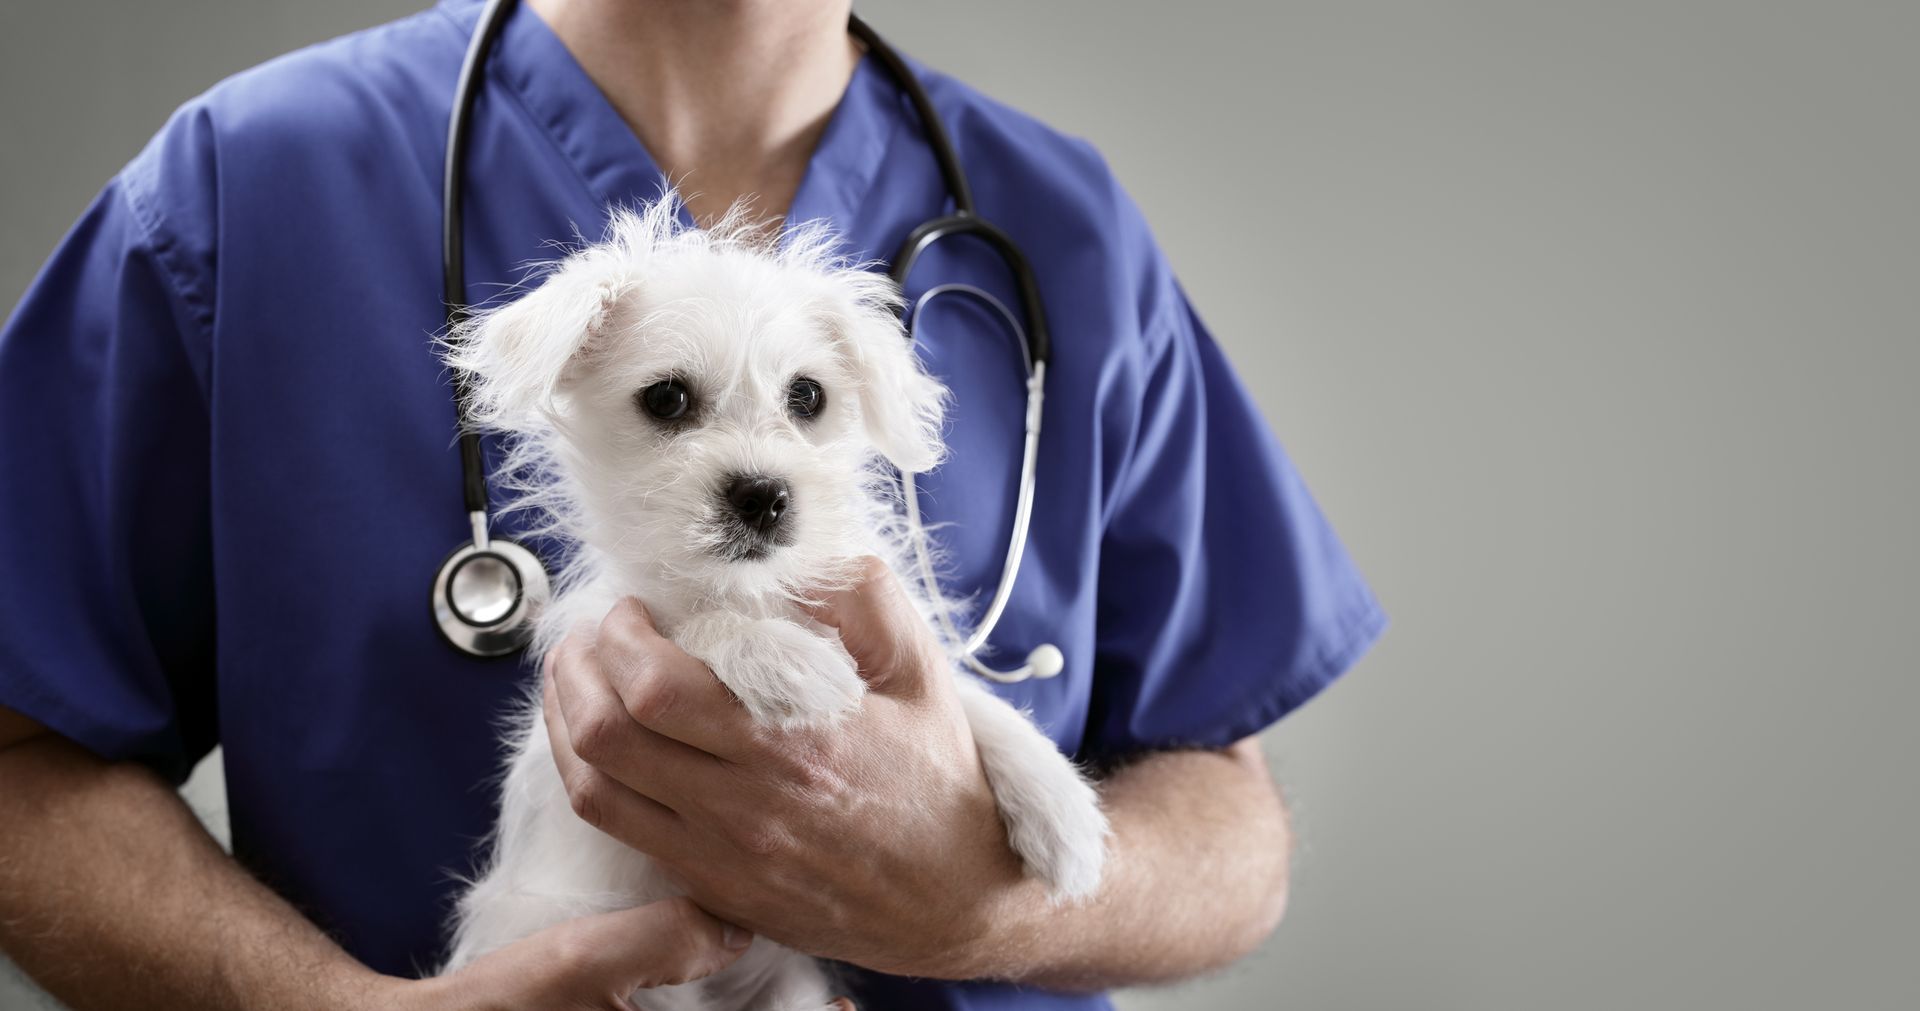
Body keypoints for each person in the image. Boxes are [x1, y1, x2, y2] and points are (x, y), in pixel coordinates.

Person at [0, 0, 1387, 1008]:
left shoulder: (1065, 222)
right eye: (673, 404)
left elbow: (1230, 822)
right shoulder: (248, 186)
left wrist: (978, 910)